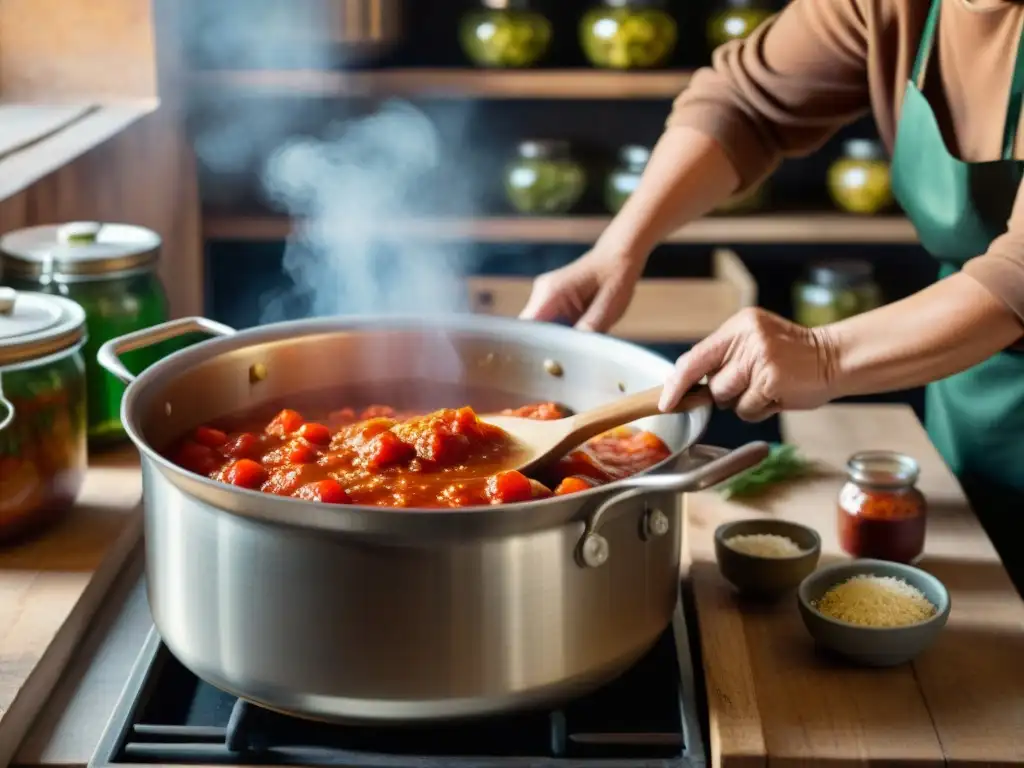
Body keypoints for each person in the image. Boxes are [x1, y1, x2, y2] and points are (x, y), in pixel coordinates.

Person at [518, 0, 1024, 584]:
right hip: (966, 372)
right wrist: (619, 247)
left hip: (981, 322)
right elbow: (745, 103)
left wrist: (824, 355)